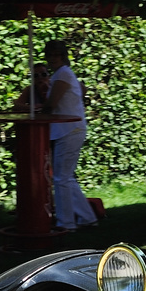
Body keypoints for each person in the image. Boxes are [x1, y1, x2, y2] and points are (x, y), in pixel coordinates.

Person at [42, 41, 97, 232]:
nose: (53, 58)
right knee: (66, 177)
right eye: (50, 55)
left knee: (61, 178)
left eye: (57, 55)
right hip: (71, 128)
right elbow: (81, 92)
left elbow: (51, 104)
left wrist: (37, 110)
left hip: (69, 129)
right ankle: (87, 217)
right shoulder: (63, 74)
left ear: (63, 56)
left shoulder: (63, 74)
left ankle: (66, 223)